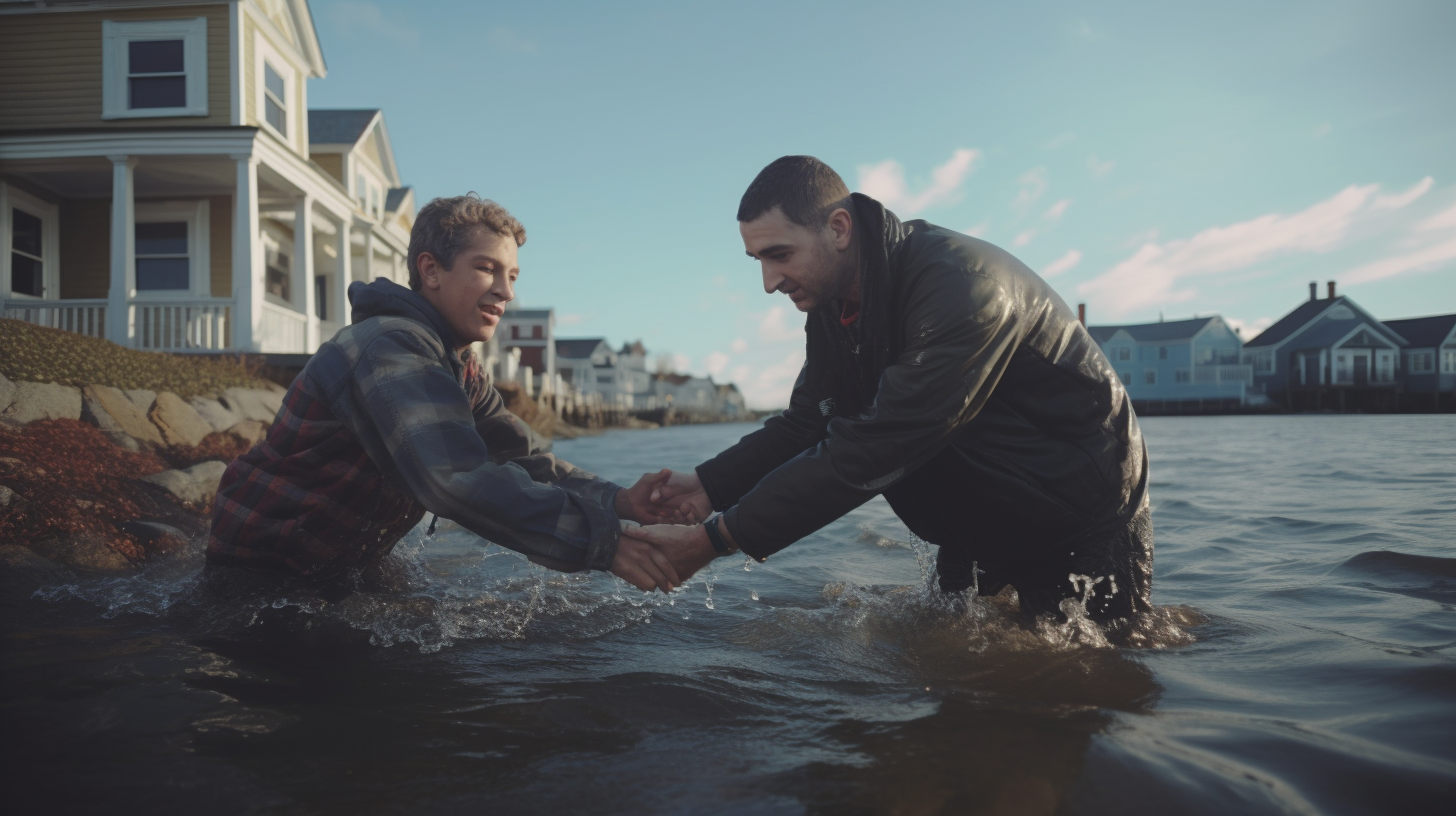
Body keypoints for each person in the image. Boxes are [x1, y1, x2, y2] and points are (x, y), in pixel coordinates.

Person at [625, 156, 1153, 622]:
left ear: (838, 228)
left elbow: (878, 444)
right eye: (758, 260)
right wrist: (708, 486)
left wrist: (715, 540)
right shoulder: (831, 305)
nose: (768, 281)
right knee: (954, 685)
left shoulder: (962, 287)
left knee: (1095, 686)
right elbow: (812, 420)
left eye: (779, 254)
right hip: (978, 520)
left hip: (1082, 517)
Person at [207, 194, 681, 593]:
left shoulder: (458, 366)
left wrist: (617, 502)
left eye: (512, 276)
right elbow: (454, 479)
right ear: (431, 271)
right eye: (487, 268)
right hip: (258, 578)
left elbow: (522, 457)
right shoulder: (389, 346)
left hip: (334, 573)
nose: (506, 292)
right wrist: (606, 543)